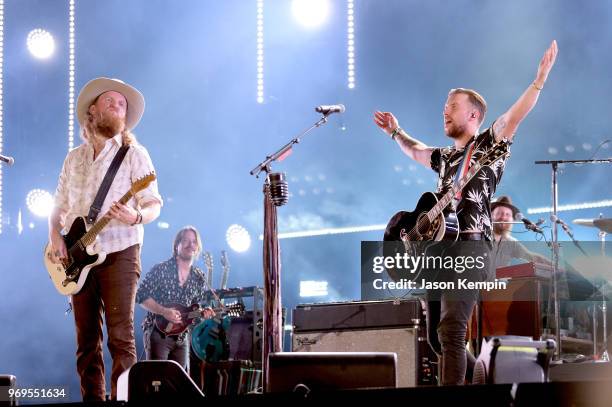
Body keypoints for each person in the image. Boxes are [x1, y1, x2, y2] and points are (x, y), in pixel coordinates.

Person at [374, 41, 558, 385]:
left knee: (452, 331)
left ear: (472, 115)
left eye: (452, 106)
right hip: (439, 254)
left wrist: (539, 82)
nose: (444, 111)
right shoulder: (444, 158)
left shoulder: (489, 145)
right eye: (444, 106)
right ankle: (488, 378)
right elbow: (415, 150)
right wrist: (395, 132)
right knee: (436, 338)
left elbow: (514, 116)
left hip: (471, 248)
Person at [48, 77, 163, 400]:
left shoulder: (134, 154)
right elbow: (57, 206)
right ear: (93, 110)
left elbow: (153, 203)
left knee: (121, 337)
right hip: (76, 258)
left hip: (120, 251)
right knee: (86, 344)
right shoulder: (74, 158)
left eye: (122, 104)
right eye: (110, 101)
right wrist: (55, 236)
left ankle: (124, 399)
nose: (117, 106)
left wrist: (137, 216)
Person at [136, 226, 214, 371]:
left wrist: (203, 314)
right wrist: (164, 311)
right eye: (186, 241)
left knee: (177, 386)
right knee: (157, 383)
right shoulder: (161, 269)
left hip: (182, 338)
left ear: (197, 247)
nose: (190, 245)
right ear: (176, 245)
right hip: (157, 333)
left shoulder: (199, 277)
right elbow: (140, 296)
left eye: (194, 242)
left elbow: (192, 313)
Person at [491, 195, 551, 267]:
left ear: (512, 220)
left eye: (507, 214)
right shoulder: (481, 236)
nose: (503, 217)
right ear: (491, 216)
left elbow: (532, 257)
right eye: (499, 213)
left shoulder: (511, 242)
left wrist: (556, 268)